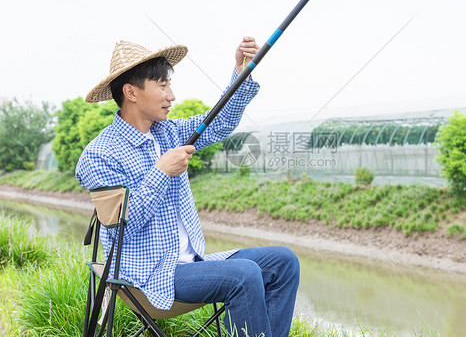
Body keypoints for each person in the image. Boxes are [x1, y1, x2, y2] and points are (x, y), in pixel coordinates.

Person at [76, 39, 300, 337]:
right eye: (162, 85)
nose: (172, 95)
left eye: (170, 84)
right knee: (244, 275)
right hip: (147, 277)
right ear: (131, 92)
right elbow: (122, 229)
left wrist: (241, 72)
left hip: (191, 263)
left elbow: (218, 123)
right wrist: (161, 171)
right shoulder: (99, 155)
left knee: (283, 261)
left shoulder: (168, 131)